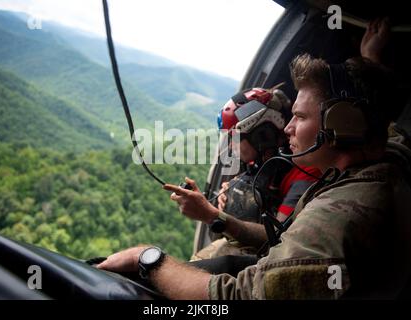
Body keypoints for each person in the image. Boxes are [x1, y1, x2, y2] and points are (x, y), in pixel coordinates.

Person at [97, 19, 411, 299]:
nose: (289, 127)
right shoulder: (387, 155)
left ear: (341, 127)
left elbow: (237, 296)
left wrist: (148, 258)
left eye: (299, 117)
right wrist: (370, 59)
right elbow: (386, 125)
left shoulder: (335, 216)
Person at [190, 87, 321, 261]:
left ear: (262, 136)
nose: (231, 147)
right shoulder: (263, 162)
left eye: (235, 138)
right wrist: (231, 191)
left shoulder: (306, 173)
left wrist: (214, 215)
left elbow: (278, 237)